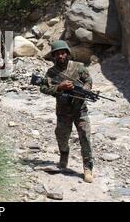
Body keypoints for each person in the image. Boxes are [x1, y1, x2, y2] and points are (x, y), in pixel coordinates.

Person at [40, 40, 94, 183]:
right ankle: (64, 155)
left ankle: (88, 167)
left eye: (63, 53)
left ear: (68, 54)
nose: (61, 56)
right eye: (57, 54)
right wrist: (59, 87)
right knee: (62, 136)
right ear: (54, 56)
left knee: (85, 137)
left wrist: (84, 90)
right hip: (63, 111)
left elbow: (88, 81)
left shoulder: (79, 67)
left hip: (80, 109)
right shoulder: (51, 72)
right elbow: (44, 88)